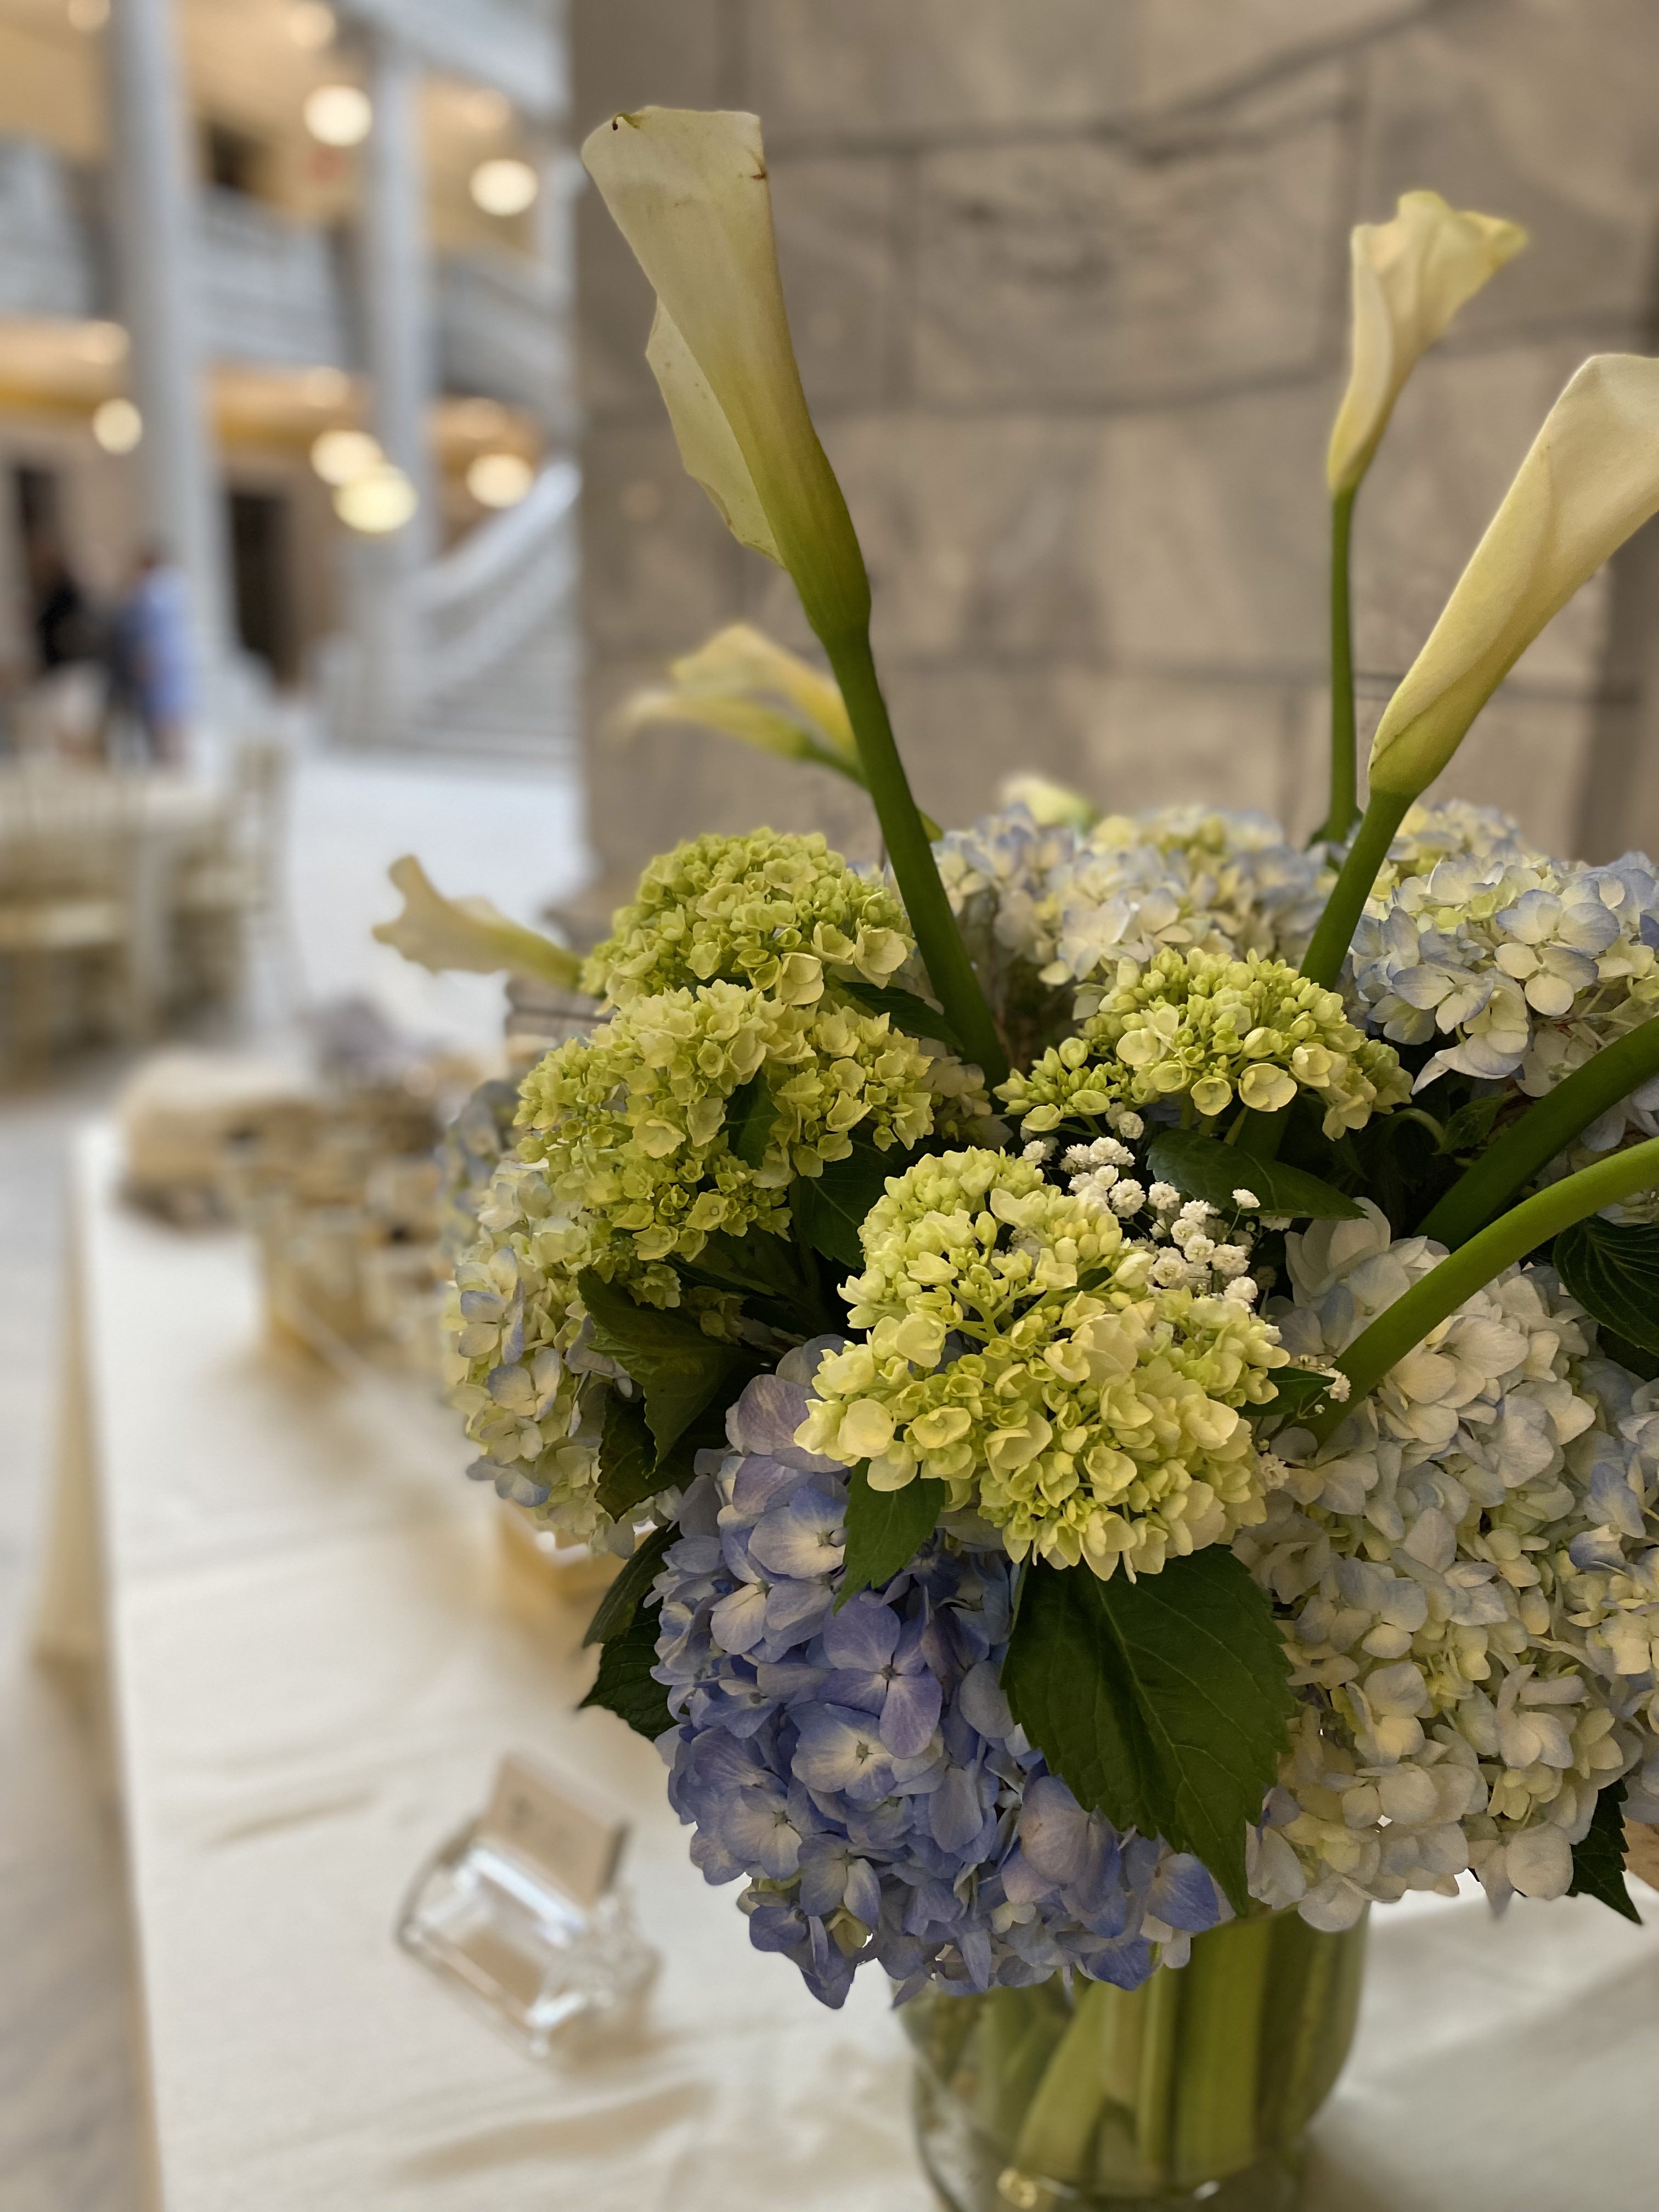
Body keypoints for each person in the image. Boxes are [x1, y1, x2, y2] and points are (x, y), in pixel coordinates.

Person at [110, 546, 195, 766]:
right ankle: (175, 765)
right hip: (169, 667)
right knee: (173, 722)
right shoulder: (173, 588)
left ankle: (171, 768)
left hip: (158, 667)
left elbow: (149, 632)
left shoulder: (154, 592)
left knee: (165, 725)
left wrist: (145, 658)